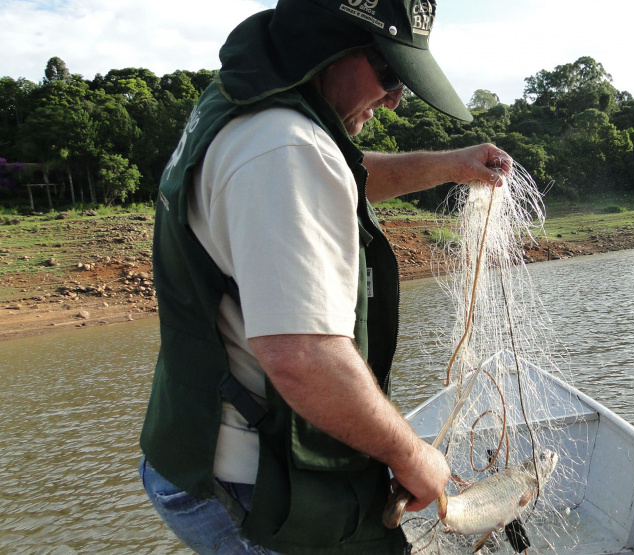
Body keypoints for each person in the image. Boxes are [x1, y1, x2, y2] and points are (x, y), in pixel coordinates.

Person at [137, 0, 510, 553]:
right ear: (326, 44)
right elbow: (303, 355)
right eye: (387, 71)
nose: (395, 98)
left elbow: (334, 172)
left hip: (188, 451)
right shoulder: (284, 145)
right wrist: (411, 454)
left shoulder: (243, 106)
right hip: (255, 485)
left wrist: (448, 166)